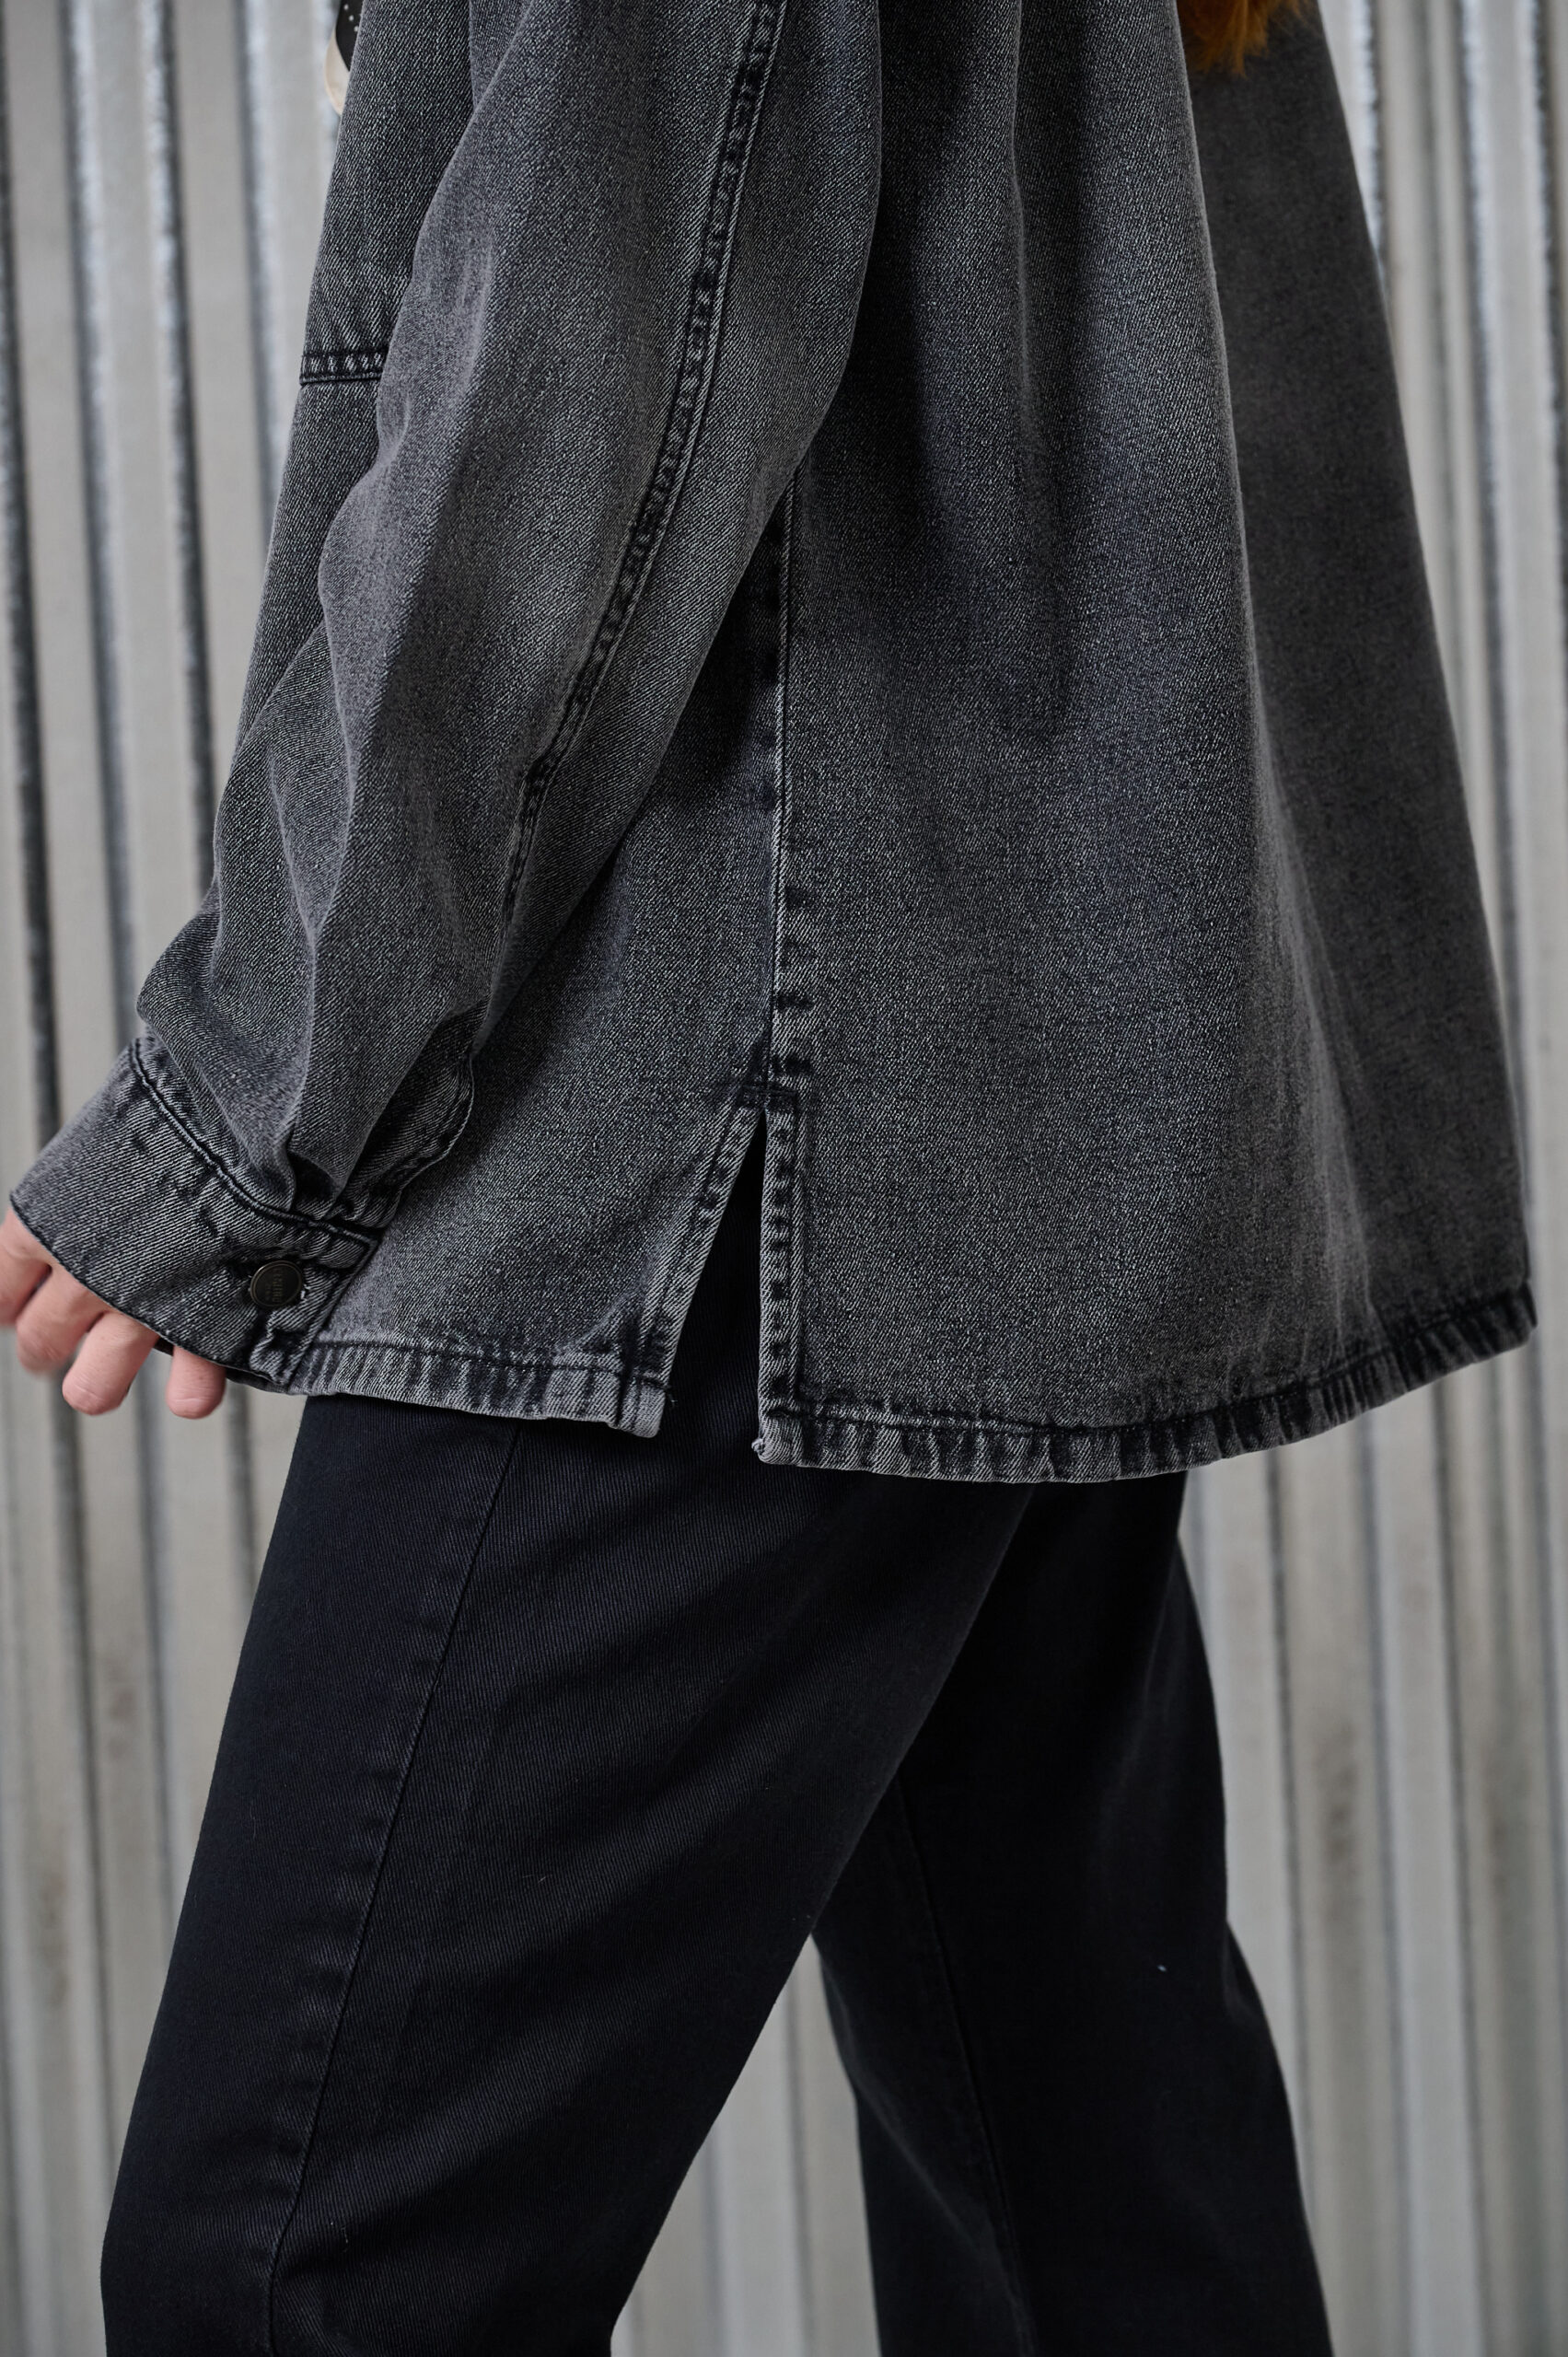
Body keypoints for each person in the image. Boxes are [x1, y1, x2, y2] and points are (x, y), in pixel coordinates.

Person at [0, 0, 1531, 2348]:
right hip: (973, 1071)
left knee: (291, 2268)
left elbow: (593, 355)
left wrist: (252, 1096)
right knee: (1092, 2221)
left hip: (729, 1116)